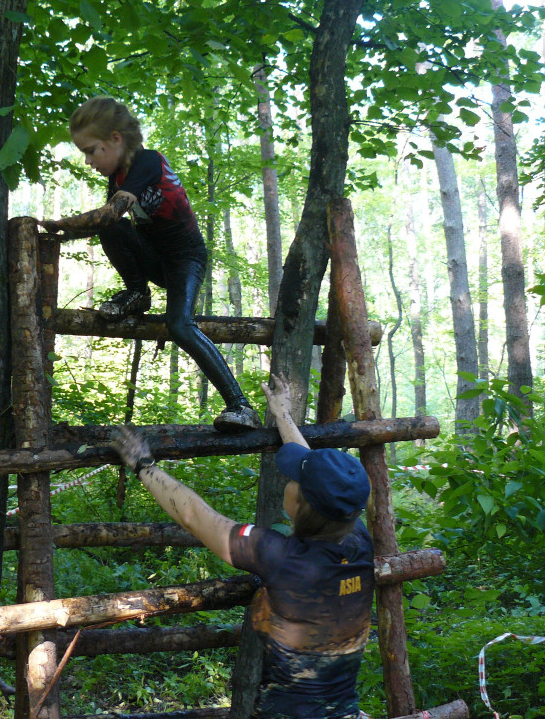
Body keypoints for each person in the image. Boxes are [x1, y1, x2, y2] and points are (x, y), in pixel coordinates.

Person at [111, 375, 375, 719]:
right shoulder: (356, 537)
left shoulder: (280, 556)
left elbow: (194, 515)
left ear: (303, 503)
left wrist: (143, 465)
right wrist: (282, 414)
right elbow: (324, 481)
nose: (289, 481)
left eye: (294, 479)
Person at [40, 96, 260, 433]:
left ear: (115, 139)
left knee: (180, 325)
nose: (87, 161)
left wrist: (58, 225)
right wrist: (52, 235)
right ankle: (137, 294)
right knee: (113, 227)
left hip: (185, 260)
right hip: (155, 257)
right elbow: (109, 222)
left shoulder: (147, 162)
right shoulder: (118, 178)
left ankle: (241, 406)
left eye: (90, 150)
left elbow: (109, 213)